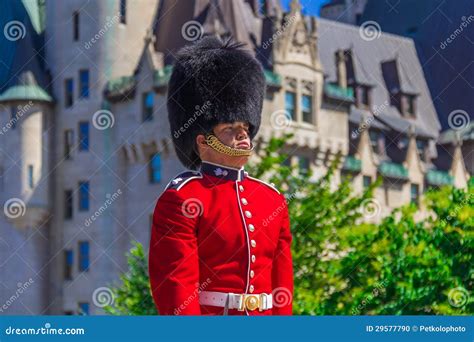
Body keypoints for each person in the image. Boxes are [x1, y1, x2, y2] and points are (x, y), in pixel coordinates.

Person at [148, 35, 293, 315]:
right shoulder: (183, 198)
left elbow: (281, 285)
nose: (242, 134)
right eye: (229, 127)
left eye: (245, 126)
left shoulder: (271, 199)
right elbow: (177, 289)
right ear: (203, 141)